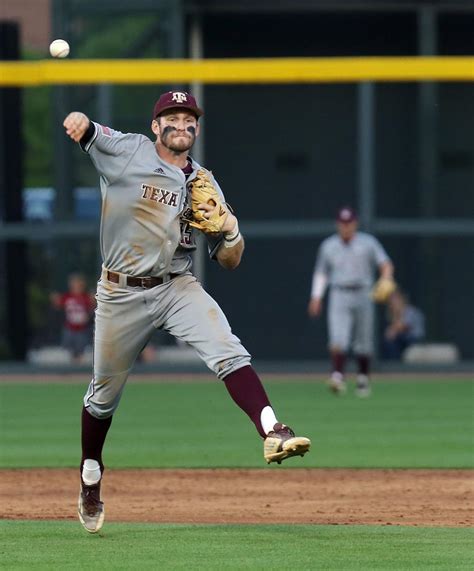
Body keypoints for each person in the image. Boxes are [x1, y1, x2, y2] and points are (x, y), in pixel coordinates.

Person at [63, 90, 310, 534]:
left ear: (196, 129)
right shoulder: (129, 150)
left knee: (228, 350)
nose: (182, 125)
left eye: (189, 119)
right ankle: (91, 473)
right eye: (172, 118)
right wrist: (80, 122)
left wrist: (232, 233)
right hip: (120, 291)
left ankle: (274, 430)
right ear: (156, 126)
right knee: (103, 398)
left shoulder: (202, 179)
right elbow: (89, 132)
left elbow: (230, 260)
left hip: (175, 284)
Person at [307, 206, 394, 397]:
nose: (346, 227)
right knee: (338, 337)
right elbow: (321, 273)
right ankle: (337, 376)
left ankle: (363, 378)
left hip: (363, 292)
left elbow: (385, 264)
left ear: (355, 223)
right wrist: (316, 296)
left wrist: (386, 278)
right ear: (338, 224)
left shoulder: (368, 242)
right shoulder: (329, 245)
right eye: (342, 223)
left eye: (349, 223)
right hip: (339, 292)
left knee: (364, 339)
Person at [50, 273, 95, 363]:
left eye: (79, 284)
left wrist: (93, 299)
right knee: (67, 352)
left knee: (81, 352)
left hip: (82, 329)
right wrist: (55, 299)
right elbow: (57, 305)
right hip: (69, 328)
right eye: (74, 284)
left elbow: (93, 306)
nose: (77, 286)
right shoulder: (67, 297)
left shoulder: (85, 297)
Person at [383, 289, 425, 360]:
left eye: (396, 300)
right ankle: (392, 363)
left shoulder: (411, 311)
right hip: (403, 339)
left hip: (415, 339)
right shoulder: (393, 313)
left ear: (402, 300)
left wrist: (392, 331)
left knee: (394, 338)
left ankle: (395, 363)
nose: (393, 303)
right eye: (391, 301)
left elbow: (403, 327)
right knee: (389, 341)